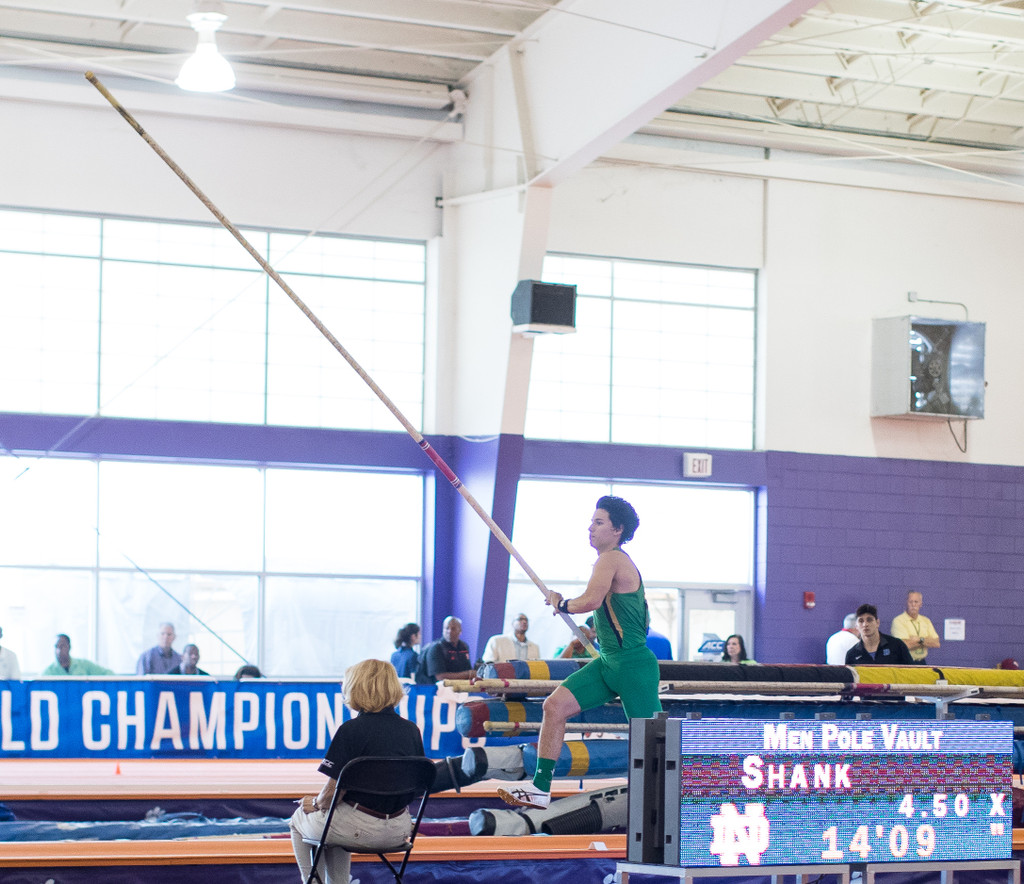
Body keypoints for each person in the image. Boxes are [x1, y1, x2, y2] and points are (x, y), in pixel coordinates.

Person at [498, 496, 661, 810]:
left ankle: (671, 799)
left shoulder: (611, 559)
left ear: (618, 530)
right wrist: (564, 604)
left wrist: (562, 604)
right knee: (554, 706)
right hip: (608, 662)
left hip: (632, 666)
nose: (590, 528)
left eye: (599, 523)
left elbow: (590, 601)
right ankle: (540, 790)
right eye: (592, 521)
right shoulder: (608, 560)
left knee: (652, 741)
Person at [289, 659, 424, 884]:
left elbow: (332, 794)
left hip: (360, 830)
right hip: (401, 830)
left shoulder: (351, 731)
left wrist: (313, 803)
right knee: (335, 816)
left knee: (300, 818)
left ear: (356, 688)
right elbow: (418, 787)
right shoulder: (411, 730)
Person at [846, 604, 913, 666]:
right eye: (861, 621)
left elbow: (912, 673)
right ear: (856, 626)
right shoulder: (852, 654)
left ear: (877, 623)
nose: (865, 624)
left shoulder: (897, 645)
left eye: (869, 620)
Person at [416, 616, 475, 684]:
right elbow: (440, 677)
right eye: (446, 628)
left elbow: (468, 669)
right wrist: (467, 674)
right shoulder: (436, 648)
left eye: (453, 629)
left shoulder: (464, 647)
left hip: (460, 689)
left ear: (460, 630)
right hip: (438, 690)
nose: (449, 631)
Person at [890, 590, 940, 664]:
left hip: (921, 662)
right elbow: (903, 646)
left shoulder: (926, 621)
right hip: (904, 663)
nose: (913, 604)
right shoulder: (898, 621)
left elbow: (936, 643)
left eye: (916, 602)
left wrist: (919, 639)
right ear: (906, 603)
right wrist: (926, 641)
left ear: (921, 604)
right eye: (911, 602)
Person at [42, 634, 113, 676]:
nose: (58, 650)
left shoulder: (84, 665)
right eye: (56, 646)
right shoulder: (48, 672)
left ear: (69, 647)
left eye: (62, 646)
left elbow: (108, 674)